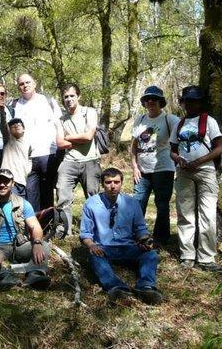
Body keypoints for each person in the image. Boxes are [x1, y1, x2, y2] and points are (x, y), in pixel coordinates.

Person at [80, 167, 163, 304]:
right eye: (108, 182)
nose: (113, 186)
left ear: (122, 183)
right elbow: (85, 233)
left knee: (151, 254)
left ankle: (146, 287)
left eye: (116, 182)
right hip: (104, 248)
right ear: (102, 184)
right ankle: (116, 287)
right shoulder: (91, 204)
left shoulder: (132, 203)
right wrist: (92, 245)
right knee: (94, 255)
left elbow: (140, 229)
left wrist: (146, 240)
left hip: (128, 247)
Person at [170, 85, 222, 272]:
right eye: (187, 101)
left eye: (194, 100)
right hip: (184, 172)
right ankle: (187, 255)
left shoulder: (209, 122)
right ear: (183, 103)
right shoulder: (179, 124)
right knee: (185, 214)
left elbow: (219, 148)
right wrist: (178, 159)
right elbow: (173, 150)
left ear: (200, 102)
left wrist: (199, 161)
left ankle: (207, 258)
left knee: (207, 214)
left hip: (206, 172)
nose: (190, 104)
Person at [0, 169, 51, 291]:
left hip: (19, 245)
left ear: (13, 183)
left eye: (6, 181)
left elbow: (35, 226)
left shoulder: (23, 203)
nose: (2, 185)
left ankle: (35, 274)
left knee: (44, 246)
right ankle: (5, 276)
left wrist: (36, 243)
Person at [131, 86, 180, 245]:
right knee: (138, 203)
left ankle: (161, 238)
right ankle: (137, 235)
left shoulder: (170, 119)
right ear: (144, 103)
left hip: (163, 169)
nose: (150, 101)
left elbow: (180, 141)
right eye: (147, 99)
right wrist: (134, 167)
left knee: (162, 204)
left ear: (161, 101)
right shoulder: (140, 120)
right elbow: (134, 146)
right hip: (142, 170)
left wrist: (179, 162)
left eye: (154, 99)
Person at [11, 73, 61, 211]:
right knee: (31, 192)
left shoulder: (48, 101)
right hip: (27, 157)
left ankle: (49, 224)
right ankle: (35, 225)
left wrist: (60, 149)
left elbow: (59, 125)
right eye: (21, 84)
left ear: (35, 83)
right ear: (18, 87)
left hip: (48, 154)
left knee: (47, 192)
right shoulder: (15, 105)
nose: (25, 86)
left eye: (28, 82)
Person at [55, 83, 101, 234]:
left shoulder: (89, 112)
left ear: (78, 96)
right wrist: (76, 139)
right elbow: (60, 143)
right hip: (69, 161)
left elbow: (89, 136)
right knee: (63, 195)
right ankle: (64, 230)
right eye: (66, 97)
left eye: (72, 96)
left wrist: (68, 137)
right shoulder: (61, 119)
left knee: (93, 197)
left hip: (90, 160)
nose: (69, 99)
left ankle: (94, 229)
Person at [0, 118, 31, 198]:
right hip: (8, 180)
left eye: (19, 124)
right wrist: (2, 111)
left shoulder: (29, 144)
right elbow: (3, 126)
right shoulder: (8, 140)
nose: (16, 125)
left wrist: (27, 172)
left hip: (22, 182)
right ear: (9, 130)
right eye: (13, 125)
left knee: (20, 208)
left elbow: (30, 160)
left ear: (24, 129)